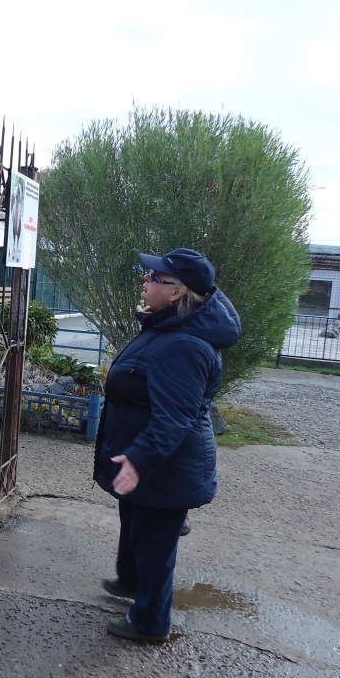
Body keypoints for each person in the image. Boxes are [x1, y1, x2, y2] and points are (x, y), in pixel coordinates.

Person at [93, 247, 241, 641]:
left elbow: (176, 417)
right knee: (137, 528)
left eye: (155, 278)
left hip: (166, 466)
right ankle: (131, 585)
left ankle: (150, 624)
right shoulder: (166, 328)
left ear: (177, 292)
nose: (146, 280)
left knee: (154, 546)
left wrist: (139, 460)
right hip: (153, 457)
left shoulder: (184, 345)